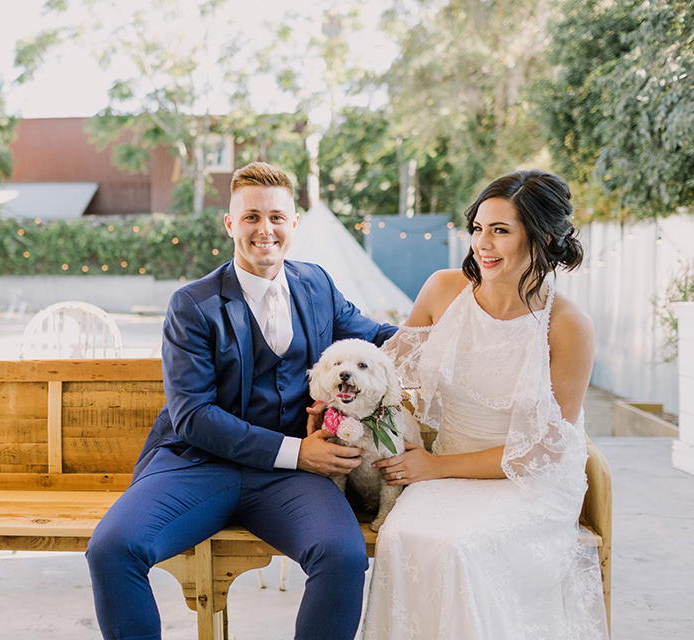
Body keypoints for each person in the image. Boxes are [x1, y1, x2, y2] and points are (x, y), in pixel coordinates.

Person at [86, 161, 396, 640]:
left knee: (344, 555)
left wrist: (463, 323)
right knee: (112, 548)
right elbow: (193, 416)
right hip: (198, 464)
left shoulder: (316, 284)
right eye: (251, 216)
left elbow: (380, 337)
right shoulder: (193, 304)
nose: (264, 229)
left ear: (294, 223)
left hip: (289, 480)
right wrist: (300, 451)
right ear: (230, 224)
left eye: (276, 216)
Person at [358, 170, 608, 639]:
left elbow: (540, 454)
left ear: (543, 237)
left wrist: (433, 466)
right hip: (446, 462)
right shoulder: (442, 290)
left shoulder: (569, 325)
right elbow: (388, 378)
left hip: (530, 482)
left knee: (459, 546)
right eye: (478, 228)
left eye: (500, 231)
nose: (482, 244)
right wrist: (339, 407)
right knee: (400, 534)